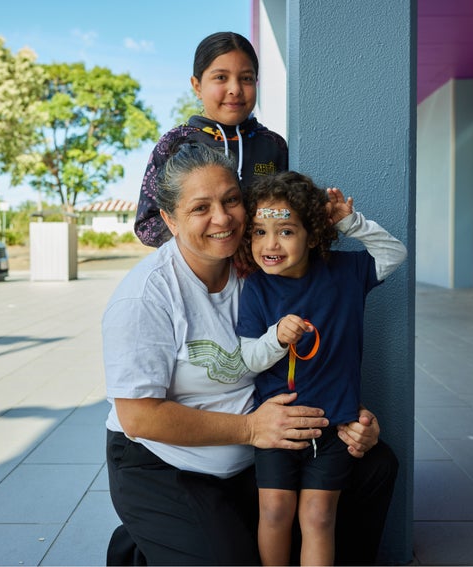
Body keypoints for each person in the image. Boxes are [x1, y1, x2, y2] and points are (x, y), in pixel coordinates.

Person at [104, 142, 398, 566]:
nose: (222, 218)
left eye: (231, 200)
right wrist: (250, 430)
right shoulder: (145, 297)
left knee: (374, 466)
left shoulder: (261, 267)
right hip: (166, 463)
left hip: (254, 455)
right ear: (169, 218)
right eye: (200, 207)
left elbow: (316, 350)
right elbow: (139, 417)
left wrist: (351, 413)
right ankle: (145, 542)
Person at [236, 172, 407, 566]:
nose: (270, 244)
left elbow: (394, 254)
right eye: (259, 231)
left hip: (334, 428)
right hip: (278, 427)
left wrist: (350, 222)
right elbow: (248, 359)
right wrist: (275, 338)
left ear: (313, 236)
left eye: (285, 231)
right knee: (275, 511)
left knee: (318, 516)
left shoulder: (346, 273)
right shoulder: (256, 288)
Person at [134, 31, 288, 247]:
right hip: (200, 276)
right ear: (197, 86)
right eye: (221, 78)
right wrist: (209, 247)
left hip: (262, 273)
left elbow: (288, 212)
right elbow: (147, 224)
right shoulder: (174, 144)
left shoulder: (274, 145)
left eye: (246, 78)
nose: (235, 89)